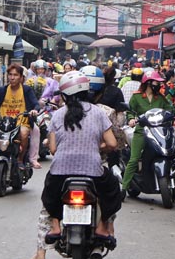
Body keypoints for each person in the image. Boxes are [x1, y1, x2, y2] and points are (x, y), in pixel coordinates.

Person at [41, 71, 122, 240]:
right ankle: (102, 227)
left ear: (64, 95)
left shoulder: (57, 114)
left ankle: (56, 227)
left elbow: (54, 149)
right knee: (112, 189)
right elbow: (113, 144)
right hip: (92, 169)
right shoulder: (98, 113)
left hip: (60, 170)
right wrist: (98, 146)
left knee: (49, 193)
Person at [121, 70, 173, 198]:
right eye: (156, 82)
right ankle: (123, 188)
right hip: (141, 131)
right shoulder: (137, 97)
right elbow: (130, 112)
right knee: (134, 159)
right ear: (149, 83)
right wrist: (131, 119)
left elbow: (171, 110)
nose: (159, 85)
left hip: (158, 131)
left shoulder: (160, 98)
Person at [0, 64, 39, 168]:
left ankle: (20, 159)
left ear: (21, 77)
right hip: (3, 124)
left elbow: (36, 104)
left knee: (24, 134)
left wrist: (34, 110)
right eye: (10, 75)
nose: (12, 77)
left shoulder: (27, 90)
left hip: (21, 123)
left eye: (15, 75)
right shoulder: (3, 90)